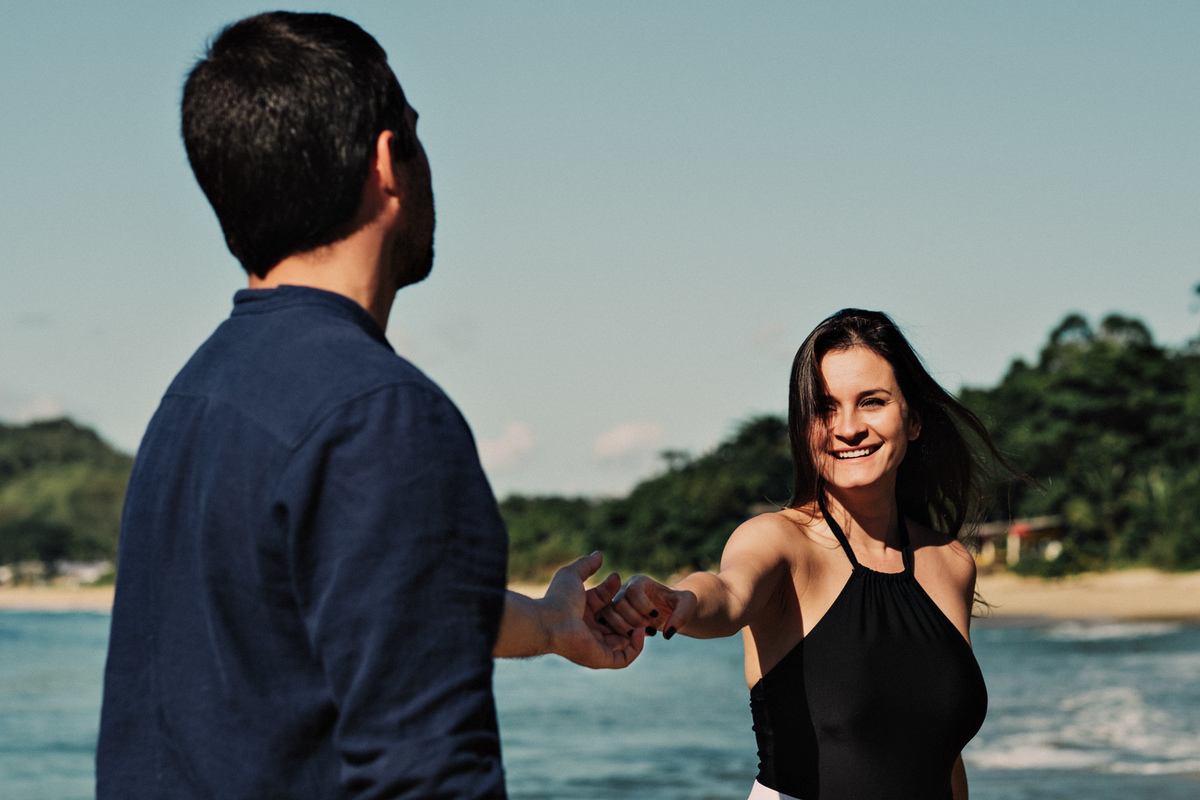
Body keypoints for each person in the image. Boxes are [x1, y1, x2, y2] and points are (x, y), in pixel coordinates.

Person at [97, 12, 641, 800]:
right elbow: (426, 775)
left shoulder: (194, 400)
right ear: (389, 161)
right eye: (416, 137)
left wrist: (553, 625)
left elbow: (345, 608)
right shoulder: (378, 416)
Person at [606, 309, 1026, 800]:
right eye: (824, 408)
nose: (848, 428)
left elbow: (942, 755)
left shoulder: (951, 563)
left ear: (912, 420)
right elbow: (728, 590)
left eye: (871, 402)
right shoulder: (780, 541)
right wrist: (678, 600)